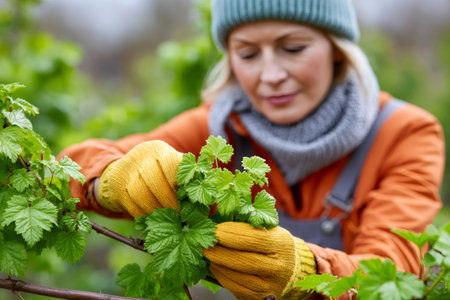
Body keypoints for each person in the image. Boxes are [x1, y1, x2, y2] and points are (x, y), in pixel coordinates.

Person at [59, 0, 445, 299]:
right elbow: (72, 166)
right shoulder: (219, 130)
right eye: (247, 54)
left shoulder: (403, 133)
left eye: (293, 48)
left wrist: (306, 270)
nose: (271, 75)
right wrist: (110, 178)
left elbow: (393, 272)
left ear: (337, 49)